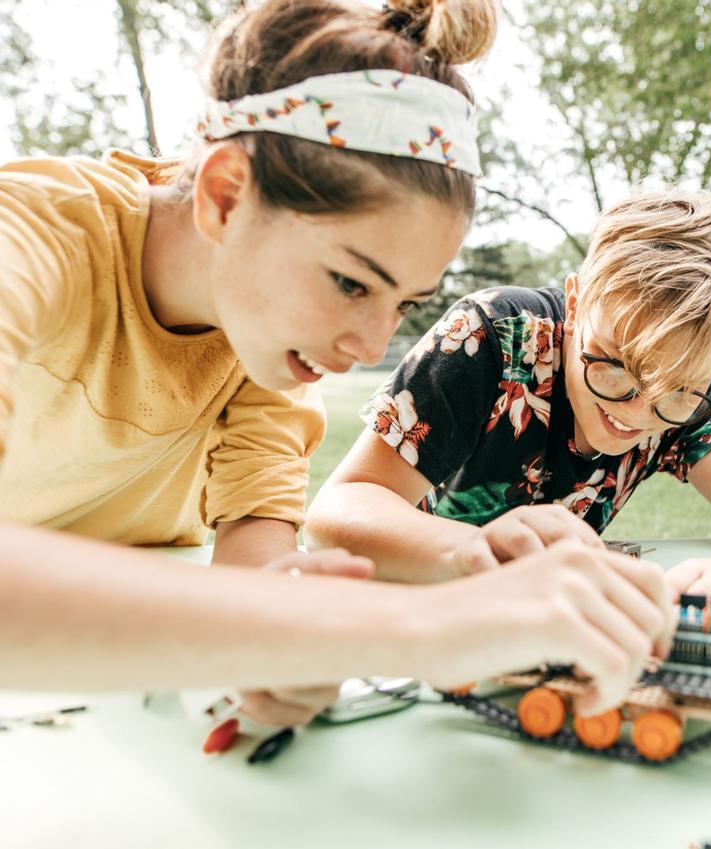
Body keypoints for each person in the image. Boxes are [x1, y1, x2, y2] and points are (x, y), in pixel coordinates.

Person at [0, 0, 673, 724]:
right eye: (351, 282)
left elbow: (254, 575)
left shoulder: (268, 351)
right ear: (226, 196)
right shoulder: (32, 238)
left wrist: (278, 654)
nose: (368, 346)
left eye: (403, 303)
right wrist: (422, 627)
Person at [307, 187, 711, 601]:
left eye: (678, 390)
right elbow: (337, 511)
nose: (638, 413)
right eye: (616, 367)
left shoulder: (684, 394)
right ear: (575, 304)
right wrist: (478, 550)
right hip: (412, 611)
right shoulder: (491, 335)